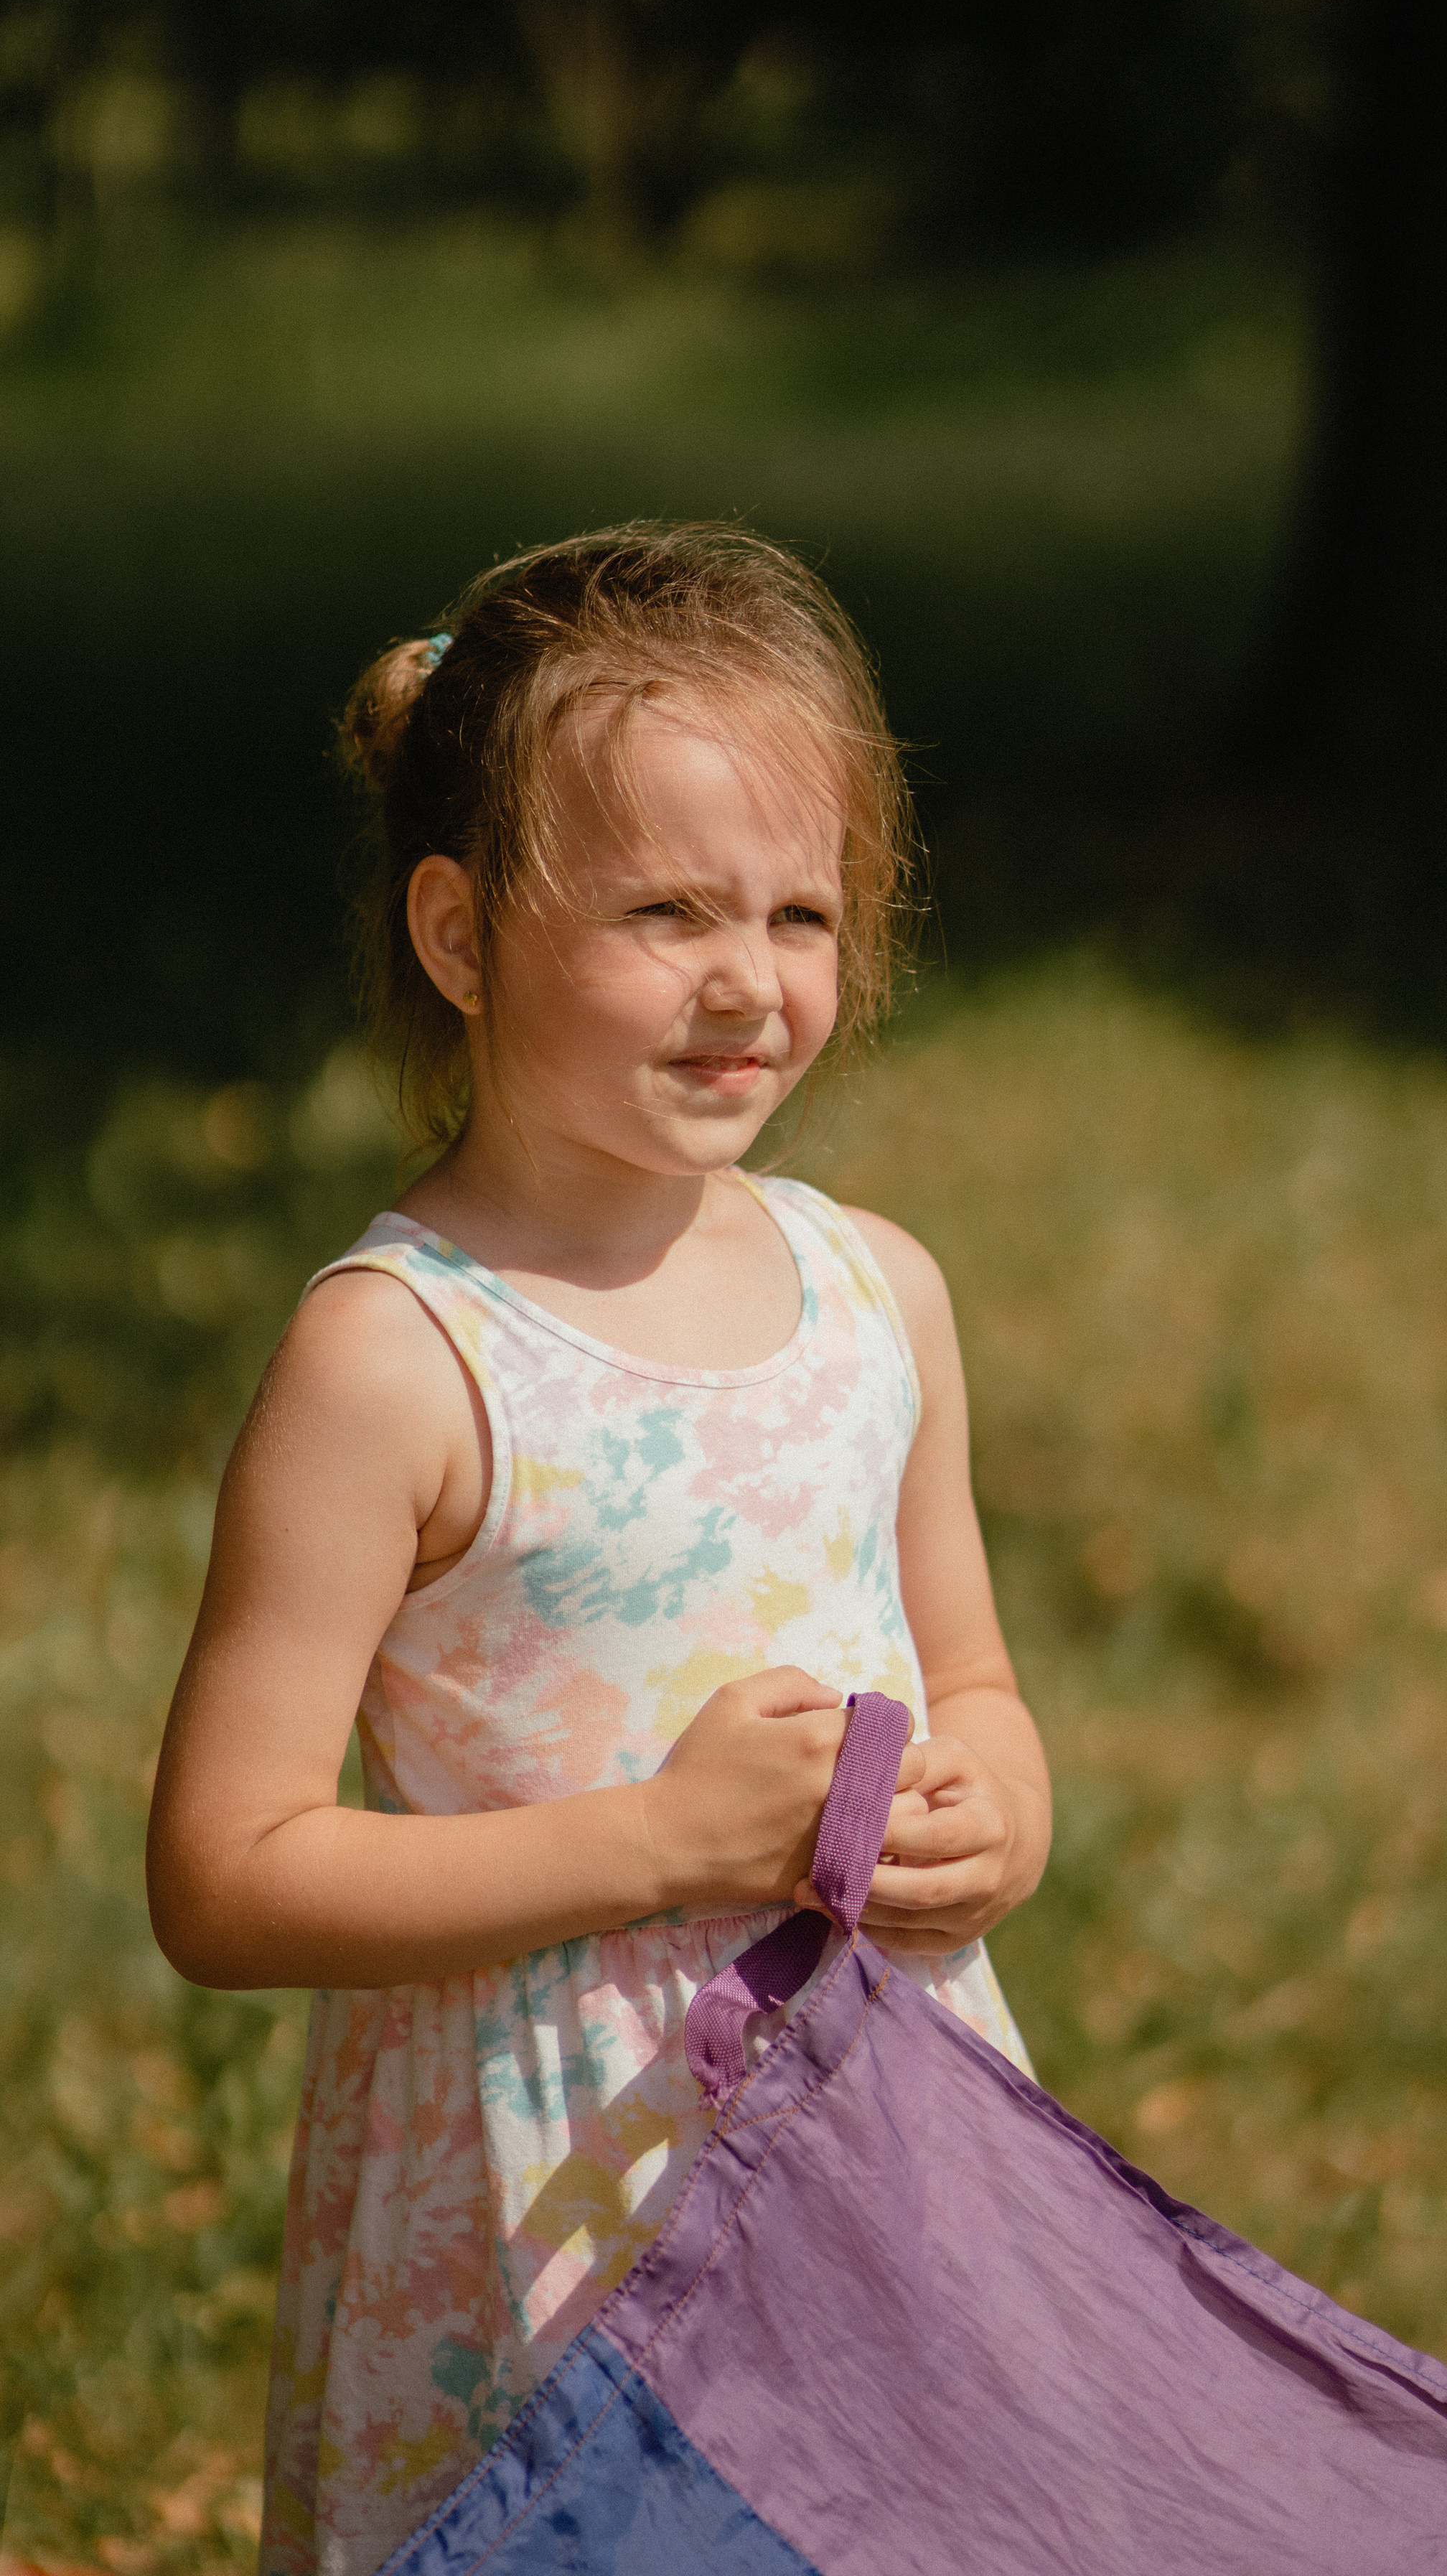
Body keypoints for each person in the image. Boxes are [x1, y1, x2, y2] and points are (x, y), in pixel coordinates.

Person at [145, 524, 1052, 2576]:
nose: (751, 981)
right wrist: (668, 1841)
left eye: (801, 912)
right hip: (543, 2205)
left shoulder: (878, 1296)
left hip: (876, 2135)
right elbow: (225, 1870)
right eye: (663, 913)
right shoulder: (399, 1361)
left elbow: (972, 1674)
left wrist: (1004, 1815)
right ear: (460, 936)